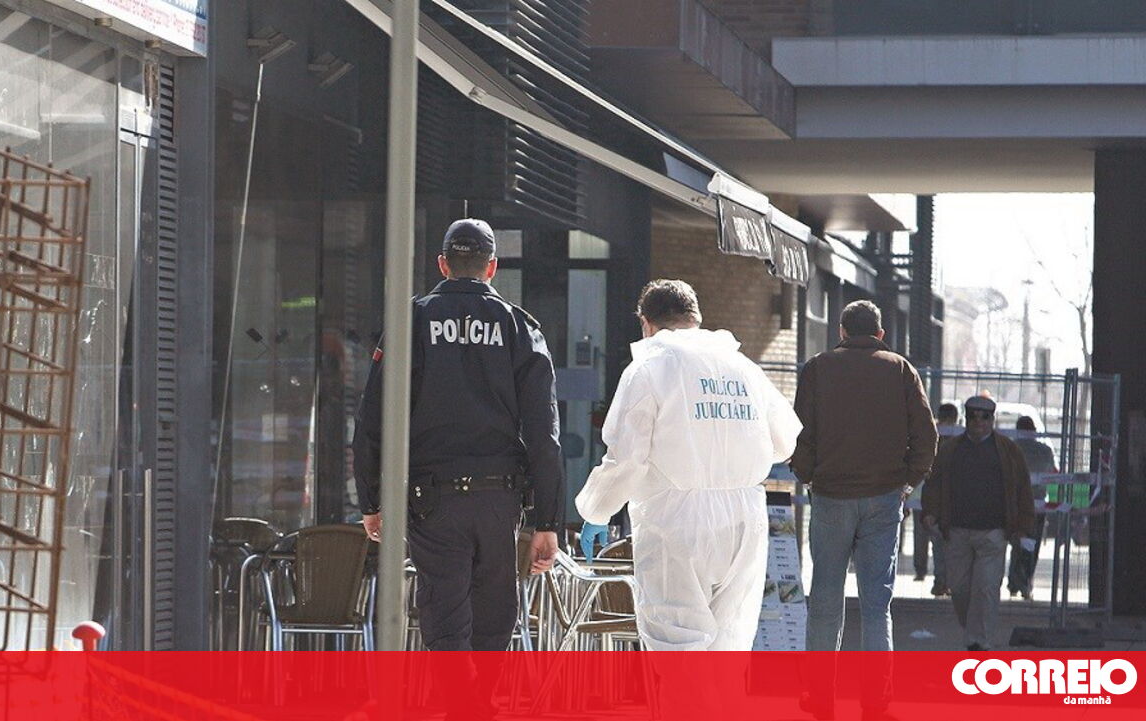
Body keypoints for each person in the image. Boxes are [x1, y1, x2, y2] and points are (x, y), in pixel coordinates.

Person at [352, 219, 564, 715]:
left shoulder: (411, 321)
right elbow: (544, 434)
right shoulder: (519, 327)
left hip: (433, 500)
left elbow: (371, 421)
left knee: (444, 613)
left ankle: (463, 708)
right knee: (494, 615)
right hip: (499, 498)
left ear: (443, 264)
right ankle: (475, 707)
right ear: (492, 267)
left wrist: (372, 500)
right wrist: (547, 521)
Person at [575, 279, 802, 652]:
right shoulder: (742, 366)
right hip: (745, 517)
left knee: (676, 642)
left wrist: (597, 510)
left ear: (646, 322)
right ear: (696, 318)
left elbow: (627, 458)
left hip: (675, 517)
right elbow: (785, 441)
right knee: (729, 646)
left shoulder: (650, 367)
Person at [792, 300, 936, 721]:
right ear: (880, 334)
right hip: (883, 497)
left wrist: (808, 476)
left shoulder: (818, 368)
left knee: (825, 598)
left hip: (831, 495)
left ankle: (821, 698)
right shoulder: (900, 370)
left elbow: (800, 431)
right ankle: (875, 702)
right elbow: (926, 434)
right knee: (876, 604)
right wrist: (908, 481)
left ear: (841, 331)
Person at [922, 396, 1036, 651]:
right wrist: (930, 513)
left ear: (992, 420)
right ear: (966, 419)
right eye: (973, 417)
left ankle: (979, 642)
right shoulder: (950, 450)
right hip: (957, 531)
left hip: (993, 533)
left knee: (986, 588)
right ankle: (975, 629)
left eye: (984, 418)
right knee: (959, 589)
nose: (979, 423)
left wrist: (1023, 526)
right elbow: (934, 483)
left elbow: (1023, 489)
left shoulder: (1008, 451)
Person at [911, 403, 961, 597]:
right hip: (948, 498)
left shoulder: (929, 435)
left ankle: (924, 571)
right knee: (945, 541)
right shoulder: (959, 439)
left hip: (922, 495)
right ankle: (943, 580)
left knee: (925, 537)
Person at [1006, 416, 1056, 600]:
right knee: (1031, 545)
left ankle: (1014, 581)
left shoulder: (1010, 449)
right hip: (1037, 505)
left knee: (1017, 542)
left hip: (1014, 505)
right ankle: (1025, 581)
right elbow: (1052, 474)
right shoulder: (1045, 451)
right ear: (1034, 431)